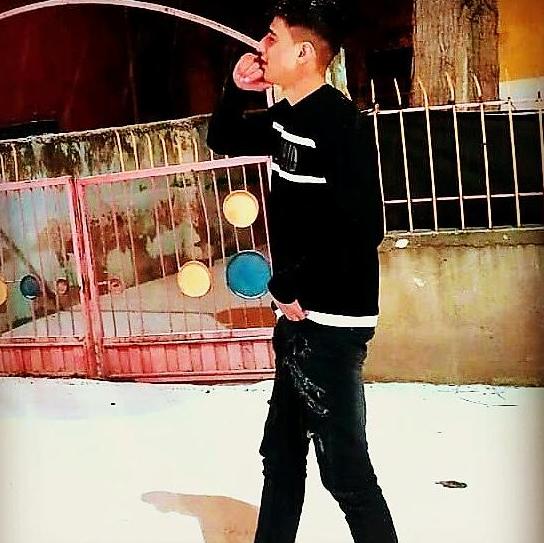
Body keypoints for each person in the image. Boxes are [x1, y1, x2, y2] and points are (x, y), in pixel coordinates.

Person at [207, 1, 398, 541]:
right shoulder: (287, 119)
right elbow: (224, 139)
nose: (262, 47)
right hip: (299, 318)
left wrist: (292, 283)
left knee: (346, 473)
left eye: (273, 38)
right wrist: (234, 91)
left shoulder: (338, 123)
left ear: (304, 53)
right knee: (282, 456)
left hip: (331, 322)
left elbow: (363, 226)